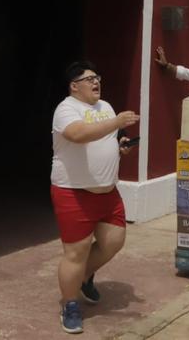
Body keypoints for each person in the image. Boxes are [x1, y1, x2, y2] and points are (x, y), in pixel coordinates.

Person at [51, 61, 139, 334]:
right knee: (75, 253)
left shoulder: (106, 107)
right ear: (74, 86)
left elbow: (107, 138)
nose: (95, 82)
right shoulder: (66, 109)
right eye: (89, 79)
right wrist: (116, 122)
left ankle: (84, 276)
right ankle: (70, 303)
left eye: (97, 77)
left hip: (107, 191)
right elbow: (78, 135)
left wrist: (119, 145)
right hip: (74, 192)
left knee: (114, 241)